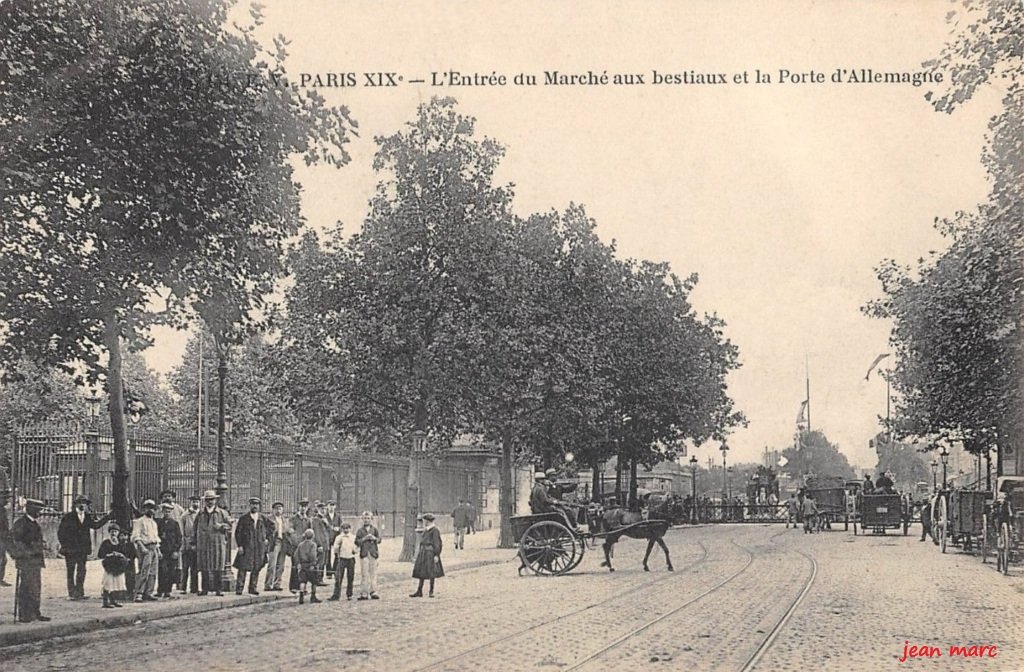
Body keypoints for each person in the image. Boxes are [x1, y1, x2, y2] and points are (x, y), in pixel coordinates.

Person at [56, 494, 110, 600]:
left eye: (84, 503)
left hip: (82, 549)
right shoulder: (68, 517)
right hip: (70, 549)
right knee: (71, 571)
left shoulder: (87, 517)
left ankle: (80, 592)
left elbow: (96, 525)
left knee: (82, 570)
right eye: (80, 503)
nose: (82, 505)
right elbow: (61, 532)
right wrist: (65, 545)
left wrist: (107, 517)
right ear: (76, 504)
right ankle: (72, 593)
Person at [10, 498, 50, 622]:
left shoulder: (33, 523)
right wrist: (27, 552)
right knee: (26, 588)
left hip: (35, 561)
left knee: (36, 587)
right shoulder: (21, 523)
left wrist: (41, 544)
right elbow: (17, 541)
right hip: (26, 560)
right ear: (31, 510)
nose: (40, 513)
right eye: (38, 510)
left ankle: (35, 612)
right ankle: (24, 614)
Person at [194, 490, 231, 596]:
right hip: (203, 544)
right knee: (204, 566)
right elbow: (195, 528)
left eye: (212, 499)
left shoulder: (222, 513)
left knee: (218, 566)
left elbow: (230, 526)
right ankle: (205, 589)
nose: (210, 502)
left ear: (215, 500)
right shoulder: (200, 514)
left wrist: (221, 526)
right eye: (207, 500)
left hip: (217, 544)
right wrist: (194, 542)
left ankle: (218, 589)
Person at [233, 497, 273, 596]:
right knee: (243, 568)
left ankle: (252, 588)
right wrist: (240, 546)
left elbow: (272, 527)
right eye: (252, 504)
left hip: (258, 547)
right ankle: (239, 588)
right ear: (249, 505)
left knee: (256, 567)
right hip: (247, 547)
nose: (254, 506)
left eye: (256, 504)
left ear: (259, 506)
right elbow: (238, 533)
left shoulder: (262, 518)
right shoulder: (244, 518)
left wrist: (267, 538)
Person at [131, 499, 161, 602]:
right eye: (148, 508)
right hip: (145, 548)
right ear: (144, 509)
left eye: (152, 508)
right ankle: (139, 593)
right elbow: (135, 536)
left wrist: (158, 551)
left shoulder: (154, 523)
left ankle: (149, 592)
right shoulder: (139, 521)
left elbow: (155, 538)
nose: (151, 510)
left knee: (153, 572)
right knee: (144, 571)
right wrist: (142, 548)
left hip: (154, 548)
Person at [410, 513, 444, 598]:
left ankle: (431, 591)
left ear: (429, 521)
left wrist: (436, 554)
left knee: (431, 572)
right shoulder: (426, 530)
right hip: (423, 552)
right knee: (421, 572)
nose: (424, 522)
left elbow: (437, 543)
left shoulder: (435, 530)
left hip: (430, 553)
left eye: (425, 521)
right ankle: (419, 590)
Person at [97, 524, 127, 608]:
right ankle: (105, 602)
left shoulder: (120, 543)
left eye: (115, 531)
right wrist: (110, 554)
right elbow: (100, 554)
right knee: (108, 582)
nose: (114, 533)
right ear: (109, 532)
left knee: (116, 583)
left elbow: (124, 553)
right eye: (112, 531)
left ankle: (113, 600)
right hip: (109, 565)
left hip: (118, 566)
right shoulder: (106, 542)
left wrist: (119, 554)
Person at [156, 502, 182, 598]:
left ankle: (168, 590)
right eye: (165, 511)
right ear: (162, 512)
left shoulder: (175, 524)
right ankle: (160, 590)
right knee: (162, 570)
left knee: (171, 571)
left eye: (169, 511)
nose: (167, 513)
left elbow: (179, 538)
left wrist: (176, 550)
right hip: (162, 550)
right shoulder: (159, 523)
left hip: (172, 551)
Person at [328, 522, 357, 601]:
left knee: (350, 577)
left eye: (347, 528)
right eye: (344, 528)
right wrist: (337, 550)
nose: (346, 530)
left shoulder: (353, 537)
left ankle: (349, 594)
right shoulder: (339, 537)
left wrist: (355, 551)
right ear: (342, 529)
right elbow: (335, 548)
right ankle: (336, 595)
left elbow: (356, 547)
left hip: (350, 559)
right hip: (342, 559)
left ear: (350, 529)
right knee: (338, 577)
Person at [287, 498, 312, 593]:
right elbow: (290, 531)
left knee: (305, 567)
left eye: (305, 507)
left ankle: (303, 587)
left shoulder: (308, 520)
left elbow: (310, 533)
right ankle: (293, 586)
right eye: (302, 506)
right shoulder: (293, 519)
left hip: (305, 547)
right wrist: (296, 539)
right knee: (295, 566)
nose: (303, 509)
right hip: (296, 546)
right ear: (299, 507)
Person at [264, 501, 290, 592]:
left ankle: (277, 583)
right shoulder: (269, 519)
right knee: (272, 564)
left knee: (281, 565)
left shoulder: (284, 520)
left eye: (280, 509)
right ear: (273, 510)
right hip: (274, 543)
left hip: (283, 543)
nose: (278, 511)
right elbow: (266, 531)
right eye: (276, 509)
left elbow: (287, 530)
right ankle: (268, 584)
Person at [355, 511, 380, 600]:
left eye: (368, 518)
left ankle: (374, 591)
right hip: (364, 554)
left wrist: (374, 538)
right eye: (365, 518)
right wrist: (364, 539)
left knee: (373, 573)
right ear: (362, 519)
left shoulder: (374, 530)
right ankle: (364, 593)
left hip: (373, 553)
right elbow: (357, 542)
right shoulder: (360, 531)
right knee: (364, 574)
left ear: (371, 519)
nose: (366, 520)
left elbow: (379, 539)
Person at [179, 495, 201, 594]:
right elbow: (181, 532)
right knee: (185, 567)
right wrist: (183, 545)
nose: (195, 504)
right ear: (190, 503)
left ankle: (194, 588)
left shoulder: (201, 514)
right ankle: (183, 587)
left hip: (198, 544)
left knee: (195, 568)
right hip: (187, 545)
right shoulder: (184, 516)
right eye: (193, 502)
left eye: (197, 502)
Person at [294, 528, 320, 604]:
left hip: (302, 565)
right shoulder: (313, 545)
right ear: (313, 536)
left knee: (303, 581)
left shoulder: (300, 544)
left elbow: (296, 555)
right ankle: (313, 596)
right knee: (314, 581)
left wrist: (298, 563)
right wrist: (313, 564)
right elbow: (313, 555)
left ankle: (301, 596)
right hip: (310, 566)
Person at [310, 501, 331, 585]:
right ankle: (317, 579)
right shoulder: (316, 520)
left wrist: (327, 524)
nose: (323, 511)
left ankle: (320, 579)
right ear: (318, 509)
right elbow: (316, 533)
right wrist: (319, 545)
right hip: (320, 545)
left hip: (326, 544)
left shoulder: (324, 519)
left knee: (324, 562)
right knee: (319, 562)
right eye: (321, 509)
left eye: (324, 509)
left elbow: (329, 531)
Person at [0, 488, 10, 588]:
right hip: (1, 538)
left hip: (3, 538)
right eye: (4, 498)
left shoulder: (3, 510)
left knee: (3, 559)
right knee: (2, 559)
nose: (6, 501)